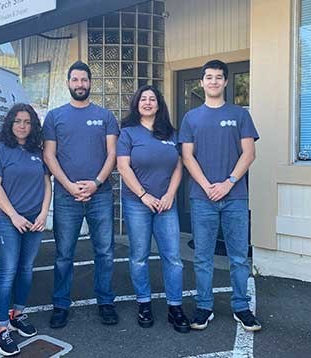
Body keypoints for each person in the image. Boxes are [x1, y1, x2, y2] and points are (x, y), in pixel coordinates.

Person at [179, 60, 262, 332]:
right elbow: (187, 157)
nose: (213, 81)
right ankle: (204, 307)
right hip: (202, 198)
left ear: (226, 82)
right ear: (201, 83)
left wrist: (228, 183)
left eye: (218, 77)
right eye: (209, 77)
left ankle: (241, 307)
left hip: (235, 196)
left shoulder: (239, 114)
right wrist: (207, 186)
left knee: (238, 257)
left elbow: (249, 153)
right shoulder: (191, 118)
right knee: (202, 257)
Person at [43, 61, 120, 328]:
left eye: (84, 80)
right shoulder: (54, 116)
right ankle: (61, 304)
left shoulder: (105, 115)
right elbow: (49, 154)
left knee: (105, 251)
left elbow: (113, 154)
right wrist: (67, 184)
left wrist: (96, 183)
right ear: (68, 83)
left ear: (90, 83)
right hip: (67, 195)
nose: (80, 84)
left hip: (100, 194)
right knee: (64, 253)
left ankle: (105, 301)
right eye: (75, 80)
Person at [117, 85, 190, 333]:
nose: (148, 102)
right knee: (139, 257)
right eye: (143, 99)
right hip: (137, 203)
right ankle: (144, 304)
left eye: (152, 99)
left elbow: (179, 167)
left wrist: (170, 194)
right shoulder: (128, 133)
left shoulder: (171, 133)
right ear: (137, 104)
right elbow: (123, 168)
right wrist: (144, 195)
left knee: (173, 258)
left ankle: (175, 307)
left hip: (166, 204)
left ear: (159, 105)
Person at [0, 103, 52, 356]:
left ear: (33, 126)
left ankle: (17, 314)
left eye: (27, 122)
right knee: (7, 272)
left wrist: (44, 214)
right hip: (7, 221)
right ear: (10, 124)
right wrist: (14, 216)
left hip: (34, 221)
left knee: (25, 270)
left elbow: (46, 184)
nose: (22, 126)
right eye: (17, 121)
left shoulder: (38, 151)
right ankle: (2, 329)